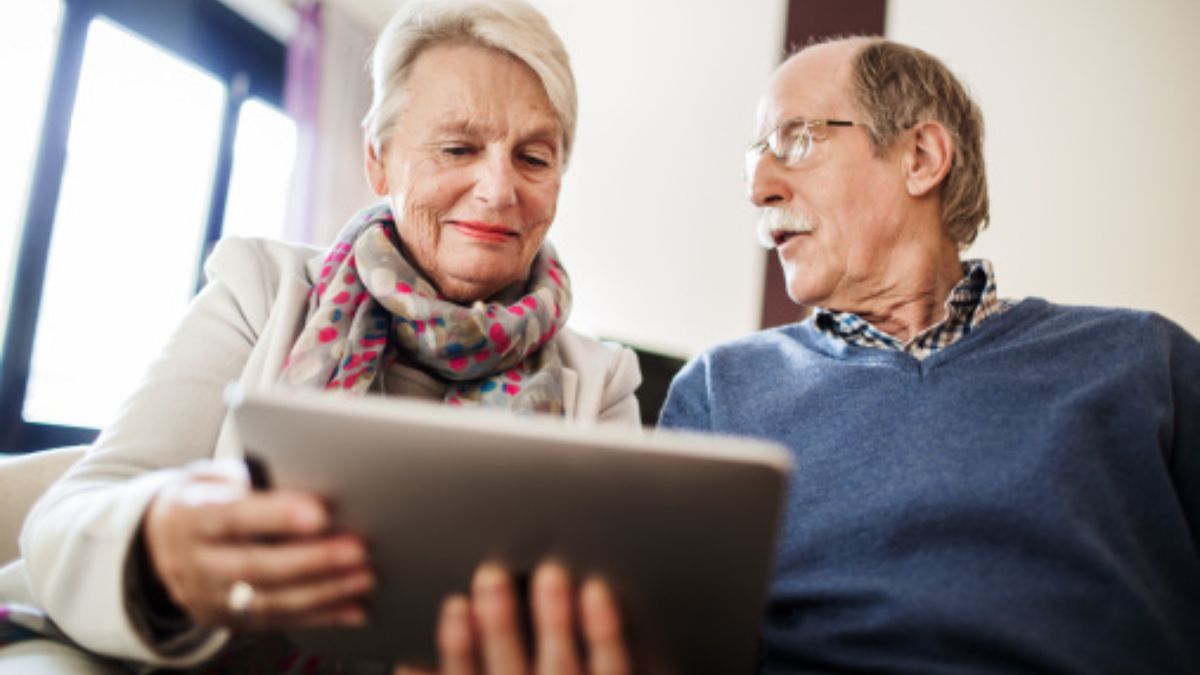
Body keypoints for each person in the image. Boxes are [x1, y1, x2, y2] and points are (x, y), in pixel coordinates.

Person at [0, 0, 639, 673]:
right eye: (458, 148)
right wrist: (159, 549)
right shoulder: (259, 290)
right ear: (380, 161)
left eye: (533, 158)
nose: (498, 187)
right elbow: (69, 516)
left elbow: (629, 612)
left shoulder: (602, 383)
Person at [660, 36, 1200, 674]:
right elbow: (674, 646)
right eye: (755, 158)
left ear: (920, 157)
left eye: (796, 140)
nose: (760, 188)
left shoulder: (1144, 359)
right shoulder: (720, 391)